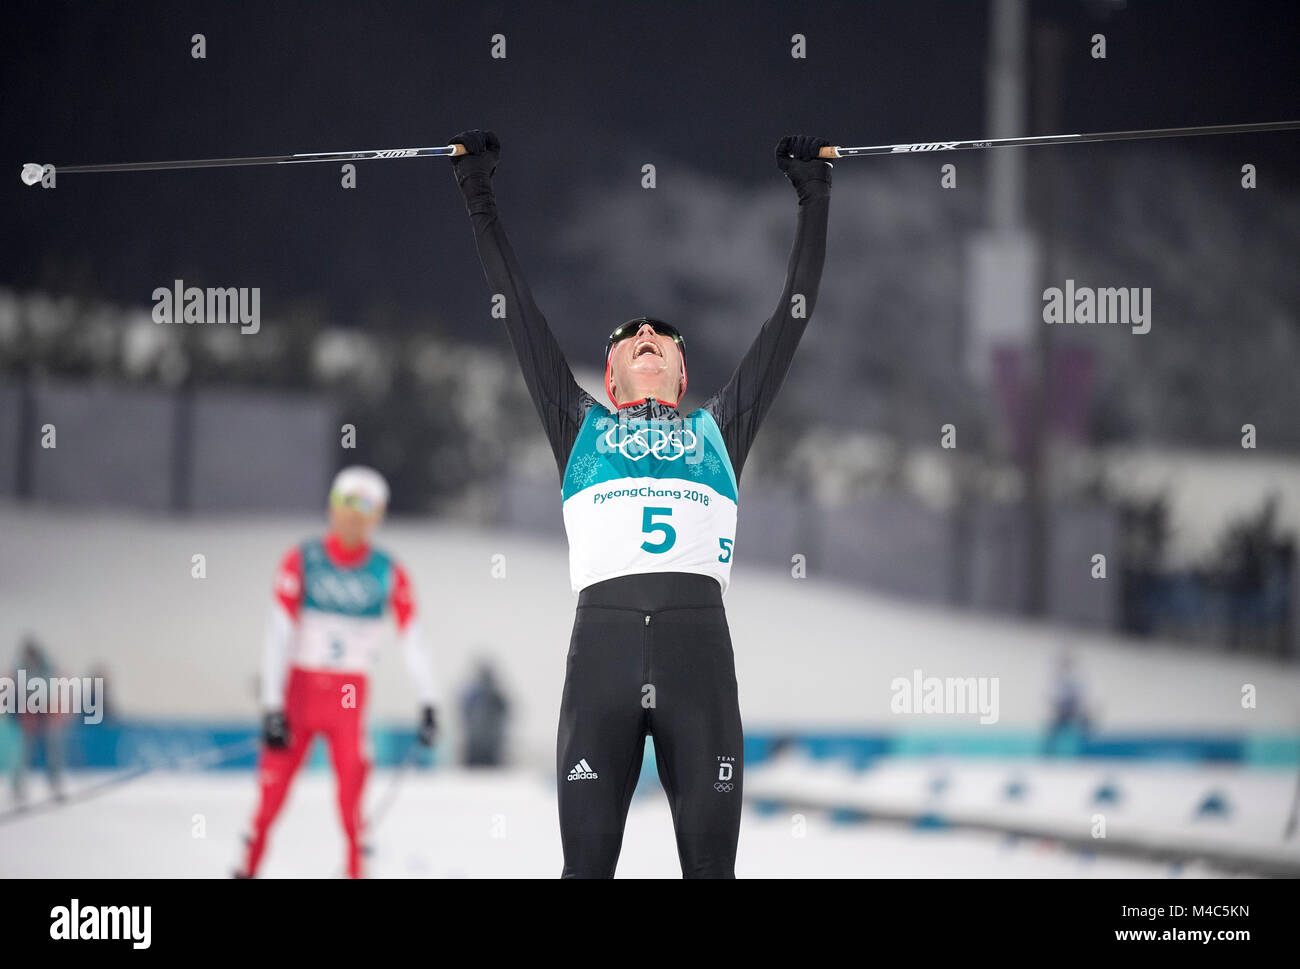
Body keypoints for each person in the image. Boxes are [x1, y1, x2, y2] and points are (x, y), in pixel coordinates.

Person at [447, 129, 831, 877]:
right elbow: (516, 307)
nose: (647, 333)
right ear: (613, 377)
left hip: (698, 657)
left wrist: (814, 194)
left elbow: (793, 314)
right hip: (603, 657)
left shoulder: (722, 427)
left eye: (663, 334)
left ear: (682, 374)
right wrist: (476, 191)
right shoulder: (576, 422)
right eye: (629, 336)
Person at [236, 466, 438, 878]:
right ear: (332, 508)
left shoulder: (387, 571)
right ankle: (247, 869)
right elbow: (277, 635)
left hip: (348, 698)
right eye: (347, 506)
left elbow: (413, 639)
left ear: (377, 517)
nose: (354, 519)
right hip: (299, 693)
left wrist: (429, 702)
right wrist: (273, 707)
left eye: (366, 510)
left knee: (351, 806)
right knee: (270, 801)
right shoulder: (303, 559)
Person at [9, 636, 67, 806]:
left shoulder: (45, 666)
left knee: (52, 749)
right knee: (26, 752)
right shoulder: (22, 668)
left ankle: (54, 784)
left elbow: (50, 686)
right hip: (30, 713)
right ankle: (18, 786)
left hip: (44, 712)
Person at [459, 659, 509, 767]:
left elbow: (506, 711)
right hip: (475, 744)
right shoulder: (473, 696)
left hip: (491, 744)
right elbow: (464, 710)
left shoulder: (496, 696)